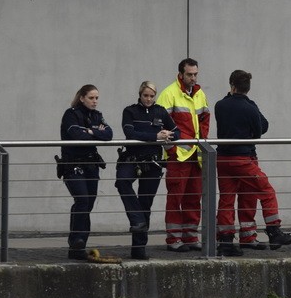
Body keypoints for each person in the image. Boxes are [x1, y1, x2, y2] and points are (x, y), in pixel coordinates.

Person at [213, 70, 291, 256]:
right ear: (248, 88)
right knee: (266, 191)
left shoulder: (220, 105)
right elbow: (261, 130)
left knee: (227, 199)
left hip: (223, 159)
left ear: (232, 85)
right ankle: (274, 232)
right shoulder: (250, 107)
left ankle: (226, 241)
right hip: (243, 158)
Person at [116, 81, 179, 260]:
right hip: (132, 159)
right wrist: (155, 136)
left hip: (153, 163)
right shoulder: (130, 111)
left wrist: (168, 134)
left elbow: (178, 132)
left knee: (146, 203)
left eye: (152, 96)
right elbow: (130, 133)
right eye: (146, 96)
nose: (149, 99)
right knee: (122, 182)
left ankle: (139, 248)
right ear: (140, 95)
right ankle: (137, 219)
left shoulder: (160, 111)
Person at [156, 58, 210, 252]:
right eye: (189, 74)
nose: (193, 77)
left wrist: (203, 143)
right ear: (181, 74)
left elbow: (205, 119)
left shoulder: (199, 93)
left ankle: (190, 236)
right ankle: (173, 239)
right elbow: (160, 123)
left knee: (194, 197)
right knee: (175, 198)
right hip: (178, 156)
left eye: (195, 74)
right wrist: (172, 150)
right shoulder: (169, 93)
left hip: (195, 155)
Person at [60, 84, 113, 259]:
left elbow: (109, 134)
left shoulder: (97, 115)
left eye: (97, 98)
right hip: (73, 165)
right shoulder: (71, 114)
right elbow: (75, 134)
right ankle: (76, 241)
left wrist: (91, 131)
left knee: (88, 203)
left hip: (91, 166)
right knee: (82, 200)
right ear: (82, 97)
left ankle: (79, 243)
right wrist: (94, 131)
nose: (95, 101)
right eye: (91, 98)